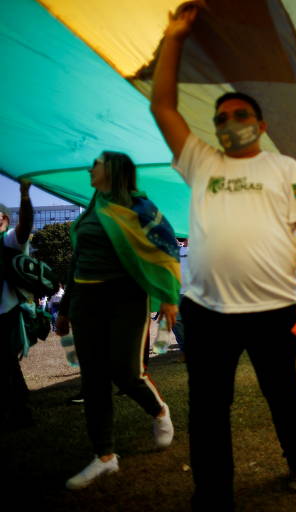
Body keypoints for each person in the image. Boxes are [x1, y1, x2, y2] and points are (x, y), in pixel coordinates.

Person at [150, 3, 296, 508]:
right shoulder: (200, 161)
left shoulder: (284, 167)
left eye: (240, 115)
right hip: (206, 315)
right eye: (222, 118)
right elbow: (163, 106)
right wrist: (176, 37)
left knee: (283, 393)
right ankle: (212, 494)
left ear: (260, 122)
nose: (231, 123)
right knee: (208, 409)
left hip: (278, 315)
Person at [55, 152, 180, 490]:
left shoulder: (139, 207)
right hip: (86, 300)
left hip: (126, 297)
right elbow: (77, 261)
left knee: (127, 372)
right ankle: (104, 456)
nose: (89, 169)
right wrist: (65, 307)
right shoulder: (93, 207)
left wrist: (169, 296)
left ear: (112, 170)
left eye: (95, 164)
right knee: (94, 380)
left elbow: (165, 246)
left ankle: (158, 411)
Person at [0, 180, 33, 431]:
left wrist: (24, 196)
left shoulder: (10, 240)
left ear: (5, 220)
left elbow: (26, 226)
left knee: (6, 361)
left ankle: (20, 411)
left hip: (5, 311)